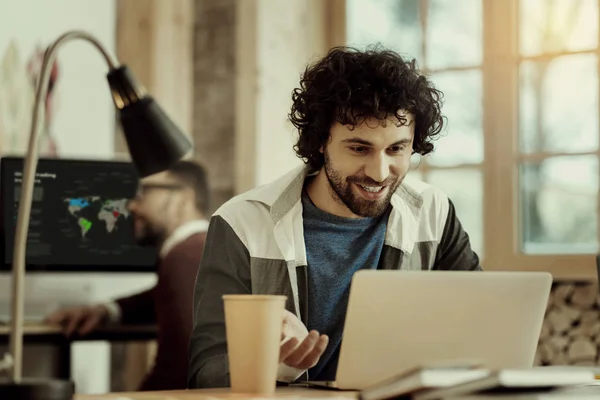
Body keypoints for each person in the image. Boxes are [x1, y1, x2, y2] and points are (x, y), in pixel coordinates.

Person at [188, 46, 482, 389]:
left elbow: (478, 329)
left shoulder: (434, 212)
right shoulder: (242, 223)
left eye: (396, 149)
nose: (379, 172)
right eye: (359, 148)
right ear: (320, 142)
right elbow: (203, 373)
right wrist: (275, 363)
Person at [45, 160, 211, 391]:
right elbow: (161, 298)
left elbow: (181, 371)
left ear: (183, 199)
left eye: (145, 193)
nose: (132, 206)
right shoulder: (200, 251)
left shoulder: (184, 258)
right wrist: (107, 310)